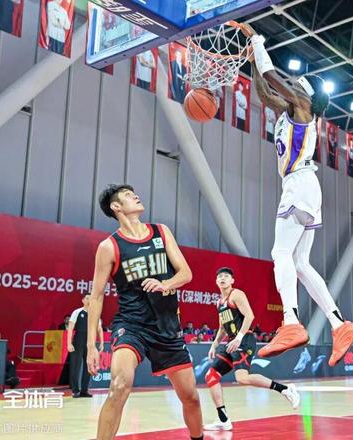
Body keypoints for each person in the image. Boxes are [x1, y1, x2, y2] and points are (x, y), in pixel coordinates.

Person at [239, 23, 353, 367]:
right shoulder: (291, 112)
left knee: (280, 252)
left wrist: (256, 40)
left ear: (304, 95)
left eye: (294, 86)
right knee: (301, 262)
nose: (289, 87)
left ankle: (290, 321)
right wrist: (253, 63)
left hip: (299, 183)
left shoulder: (303, 107)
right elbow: (266, 93)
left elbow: (271, 76)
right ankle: (339, 323)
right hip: (306, 186)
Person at [86, 184, 203, 440]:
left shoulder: (161, 232)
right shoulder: (109, 247)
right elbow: (96, 297)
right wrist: (91, 346)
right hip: (132, 325)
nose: (136, 196)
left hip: (167, 327)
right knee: (119, 386)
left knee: (191, 397)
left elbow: (186, 273)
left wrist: (166, 284)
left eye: (134, 193)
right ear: (116, 207)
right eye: (128, 195)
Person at [204, 267, 299, 431]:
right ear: (216, 281)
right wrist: (214, 344)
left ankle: (286, 390)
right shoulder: (219, 303)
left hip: (244, 339)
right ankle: (223, 419)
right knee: (211, 376)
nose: (222, 278)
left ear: (232, 280)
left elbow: (249, 316)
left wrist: (239, 337)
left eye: (226, 276)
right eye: (219, 276)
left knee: (242, 378)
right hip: (232, 342)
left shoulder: (236, 294)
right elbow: (222, 327)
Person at [68, 294, 104, 398]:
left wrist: (101, 342)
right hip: (78, 340)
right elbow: (70, 328)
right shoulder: (77, 312)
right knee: (75, 366)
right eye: (87, 298)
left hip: (90, 342)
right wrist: (69, 343)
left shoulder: (95, 314)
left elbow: (99, 329)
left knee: (89, 365)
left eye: (91, 299)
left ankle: (84, 390)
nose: (89, 300)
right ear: (83, 300)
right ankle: (75, 390)